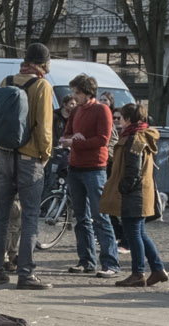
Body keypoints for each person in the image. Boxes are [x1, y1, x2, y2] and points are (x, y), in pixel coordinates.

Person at [0, 42, 55, 291]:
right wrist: (45, 154)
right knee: (30, 216)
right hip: (29, 158)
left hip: (3, 155)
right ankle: (26, 274)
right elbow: (45, 126)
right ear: (45, 64)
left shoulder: (6, 81)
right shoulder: (42, 86)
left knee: (2, 215)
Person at [59, 75, 118, 278]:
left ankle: (111, 263)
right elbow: (66, 134)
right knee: (81, 217)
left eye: (77, 92)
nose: (74, 97)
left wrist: (75, 143)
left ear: (87, 92)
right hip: (75, 167)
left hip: (95, 168)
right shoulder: (76, 111)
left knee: (100, 216)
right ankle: (86, 260)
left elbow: (103, 139)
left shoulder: (102, 110)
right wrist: (68, 140)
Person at [102, 104, 166, 288]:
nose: (119, 122)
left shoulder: (134, 138)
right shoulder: (138, 135)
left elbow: (133, 169)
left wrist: (123, 188)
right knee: (139, 233)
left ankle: (138, 273)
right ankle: (157, 269)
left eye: (121, 118)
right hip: (138, 193)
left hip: (134, 194)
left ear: (129, 119)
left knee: (133, 234)